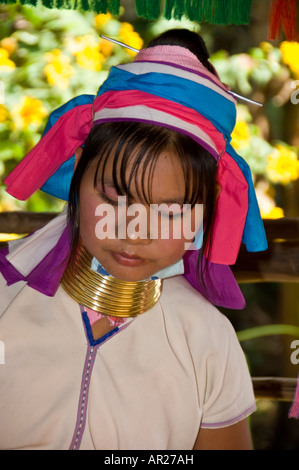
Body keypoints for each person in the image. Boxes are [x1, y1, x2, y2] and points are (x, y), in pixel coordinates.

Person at [0, 29, 268, 450]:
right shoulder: (4, 298)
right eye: (113, 198)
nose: (134, 232)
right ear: (77, 164)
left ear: (207, 208)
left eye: (170, 211)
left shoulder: (206, 339)